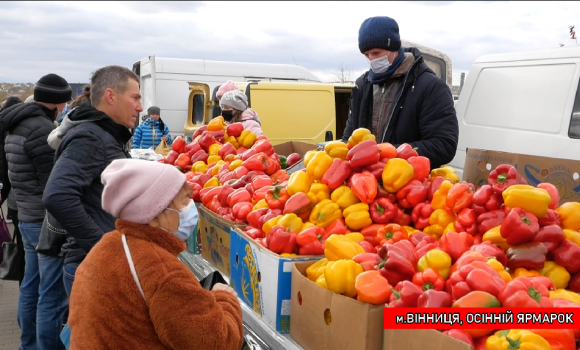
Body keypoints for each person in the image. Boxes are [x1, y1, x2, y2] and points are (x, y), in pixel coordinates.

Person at [68, 159, 244, 350]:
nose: (191, 208)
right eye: (184, 201)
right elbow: (216, 343)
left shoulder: (108, 245)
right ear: (153, 215)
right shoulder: (163, 272)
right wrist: (224, 298)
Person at [43, 65, 139, 296]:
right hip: (93, 266)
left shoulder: (104, 134)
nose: (140, 106)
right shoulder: (91, 137)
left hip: (94, 262)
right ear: (110, 96)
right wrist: (103, 245)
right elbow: (57, 195)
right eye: (135, 97)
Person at [0, 74, 72, 350]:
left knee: (30, 286)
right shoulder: (42, 129)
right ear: (57, 103)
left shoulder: (15, 124)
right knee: (50, 294)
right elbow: (52, 185)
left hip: (25, 216)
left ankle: (28, 344)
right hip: (44, 221)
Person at [342, 16, 459, 169]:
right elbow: (348, 138)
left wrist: (384, 154)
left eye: (376, 53)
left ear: (394, 48)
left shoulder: (431, 87)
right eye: (366, 55)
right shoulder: (362, 86)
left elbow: (444, 145)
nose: (371, 59)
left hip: (411, 184)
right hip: (365, 181)